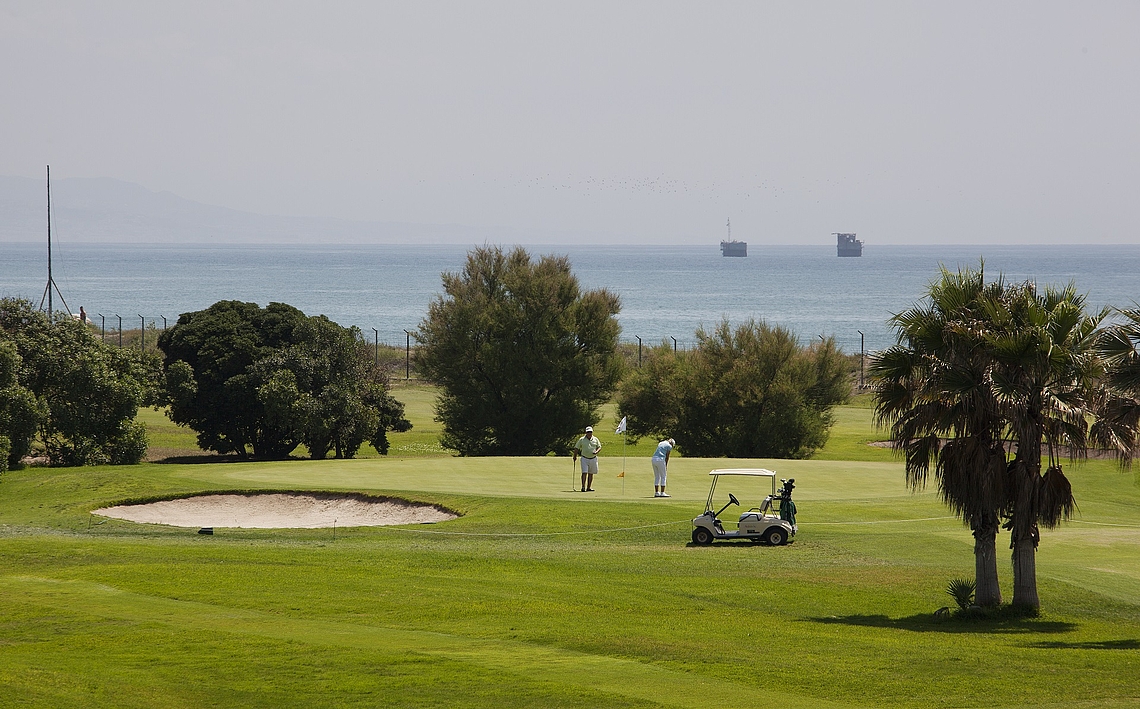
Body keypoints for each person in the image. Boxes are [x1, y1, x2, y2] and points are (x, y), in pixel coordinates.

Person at [573, 426, 602, 492]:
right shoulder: (582, 439)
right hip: (584, 458)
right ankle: (583, 487)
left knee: (591, 473)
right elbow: (576, 448)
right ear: (586, 432)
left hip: (593, 458)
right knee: (584, 472)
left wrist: (596, 452)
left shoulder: (595, 439)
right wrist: (575, 456)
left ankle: (588, 487)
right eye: (588, 432)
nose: (589, 433)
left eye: (591, 432)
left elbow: (599, 447)